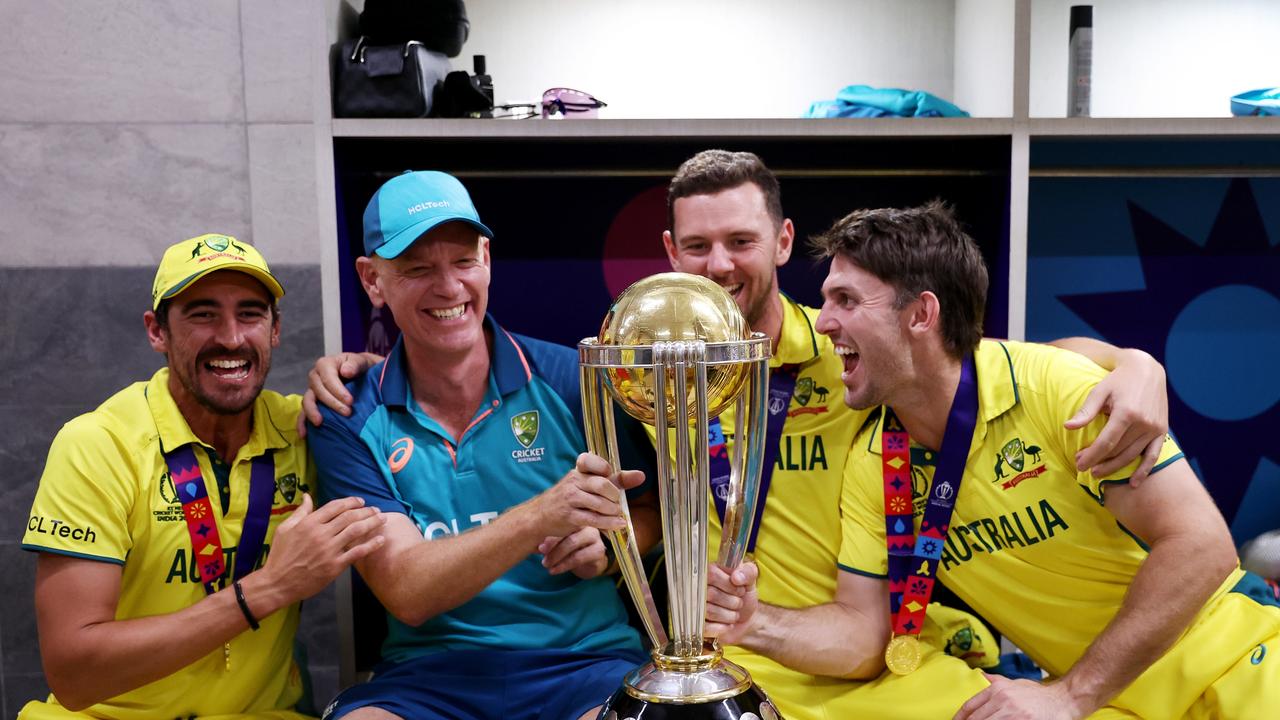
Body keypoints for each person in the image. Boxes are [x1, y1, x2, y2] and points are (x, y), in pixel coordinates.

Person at [307, 151, 1172, 719]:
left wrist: (1133, 360)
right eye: (698, 246)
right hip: (699, 661)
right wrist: (602, 541)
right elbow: (635, 513)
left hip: (849, 654)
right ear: (670, 252)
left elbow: (983, 366)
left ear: (784, 241)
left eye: (741, 241)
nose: (719, 265)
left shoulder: (850, 354)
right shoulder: (647, 371)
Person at [719, 200, 1278, 718]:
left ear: (921, 314)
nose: (822, 321)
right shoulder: (876, 461)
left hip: (1235, 662)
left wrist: (1069, 695)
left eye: (846, 300)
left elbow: (1201, 547)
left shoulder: (1056, 390)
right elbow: (864, 635)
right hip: (1114, 702)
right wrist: (754, 623)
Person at [305, 171, 660, 720]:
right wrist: (545, 512)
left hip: (584, 666)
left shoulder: (576, 381)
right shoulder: (350, 417)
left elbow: (654, 508)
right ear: (372, 280)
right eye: (418, 268)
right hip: (428, 679)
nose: (448, 288)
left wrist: (611, 547)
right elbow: (407, 590)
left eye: (463, 261)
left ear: (487, 259)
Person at [20, 234, 386, 720]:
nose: (231, 338)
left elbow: (422, 411)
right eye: (203, 314)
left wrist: (374, 375)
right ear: (157, 332)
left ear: (276, 329)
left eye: (251, 314)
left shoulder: (307, 430)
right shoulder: (98, 445)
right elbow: (74, 674)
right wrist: (270, 588)